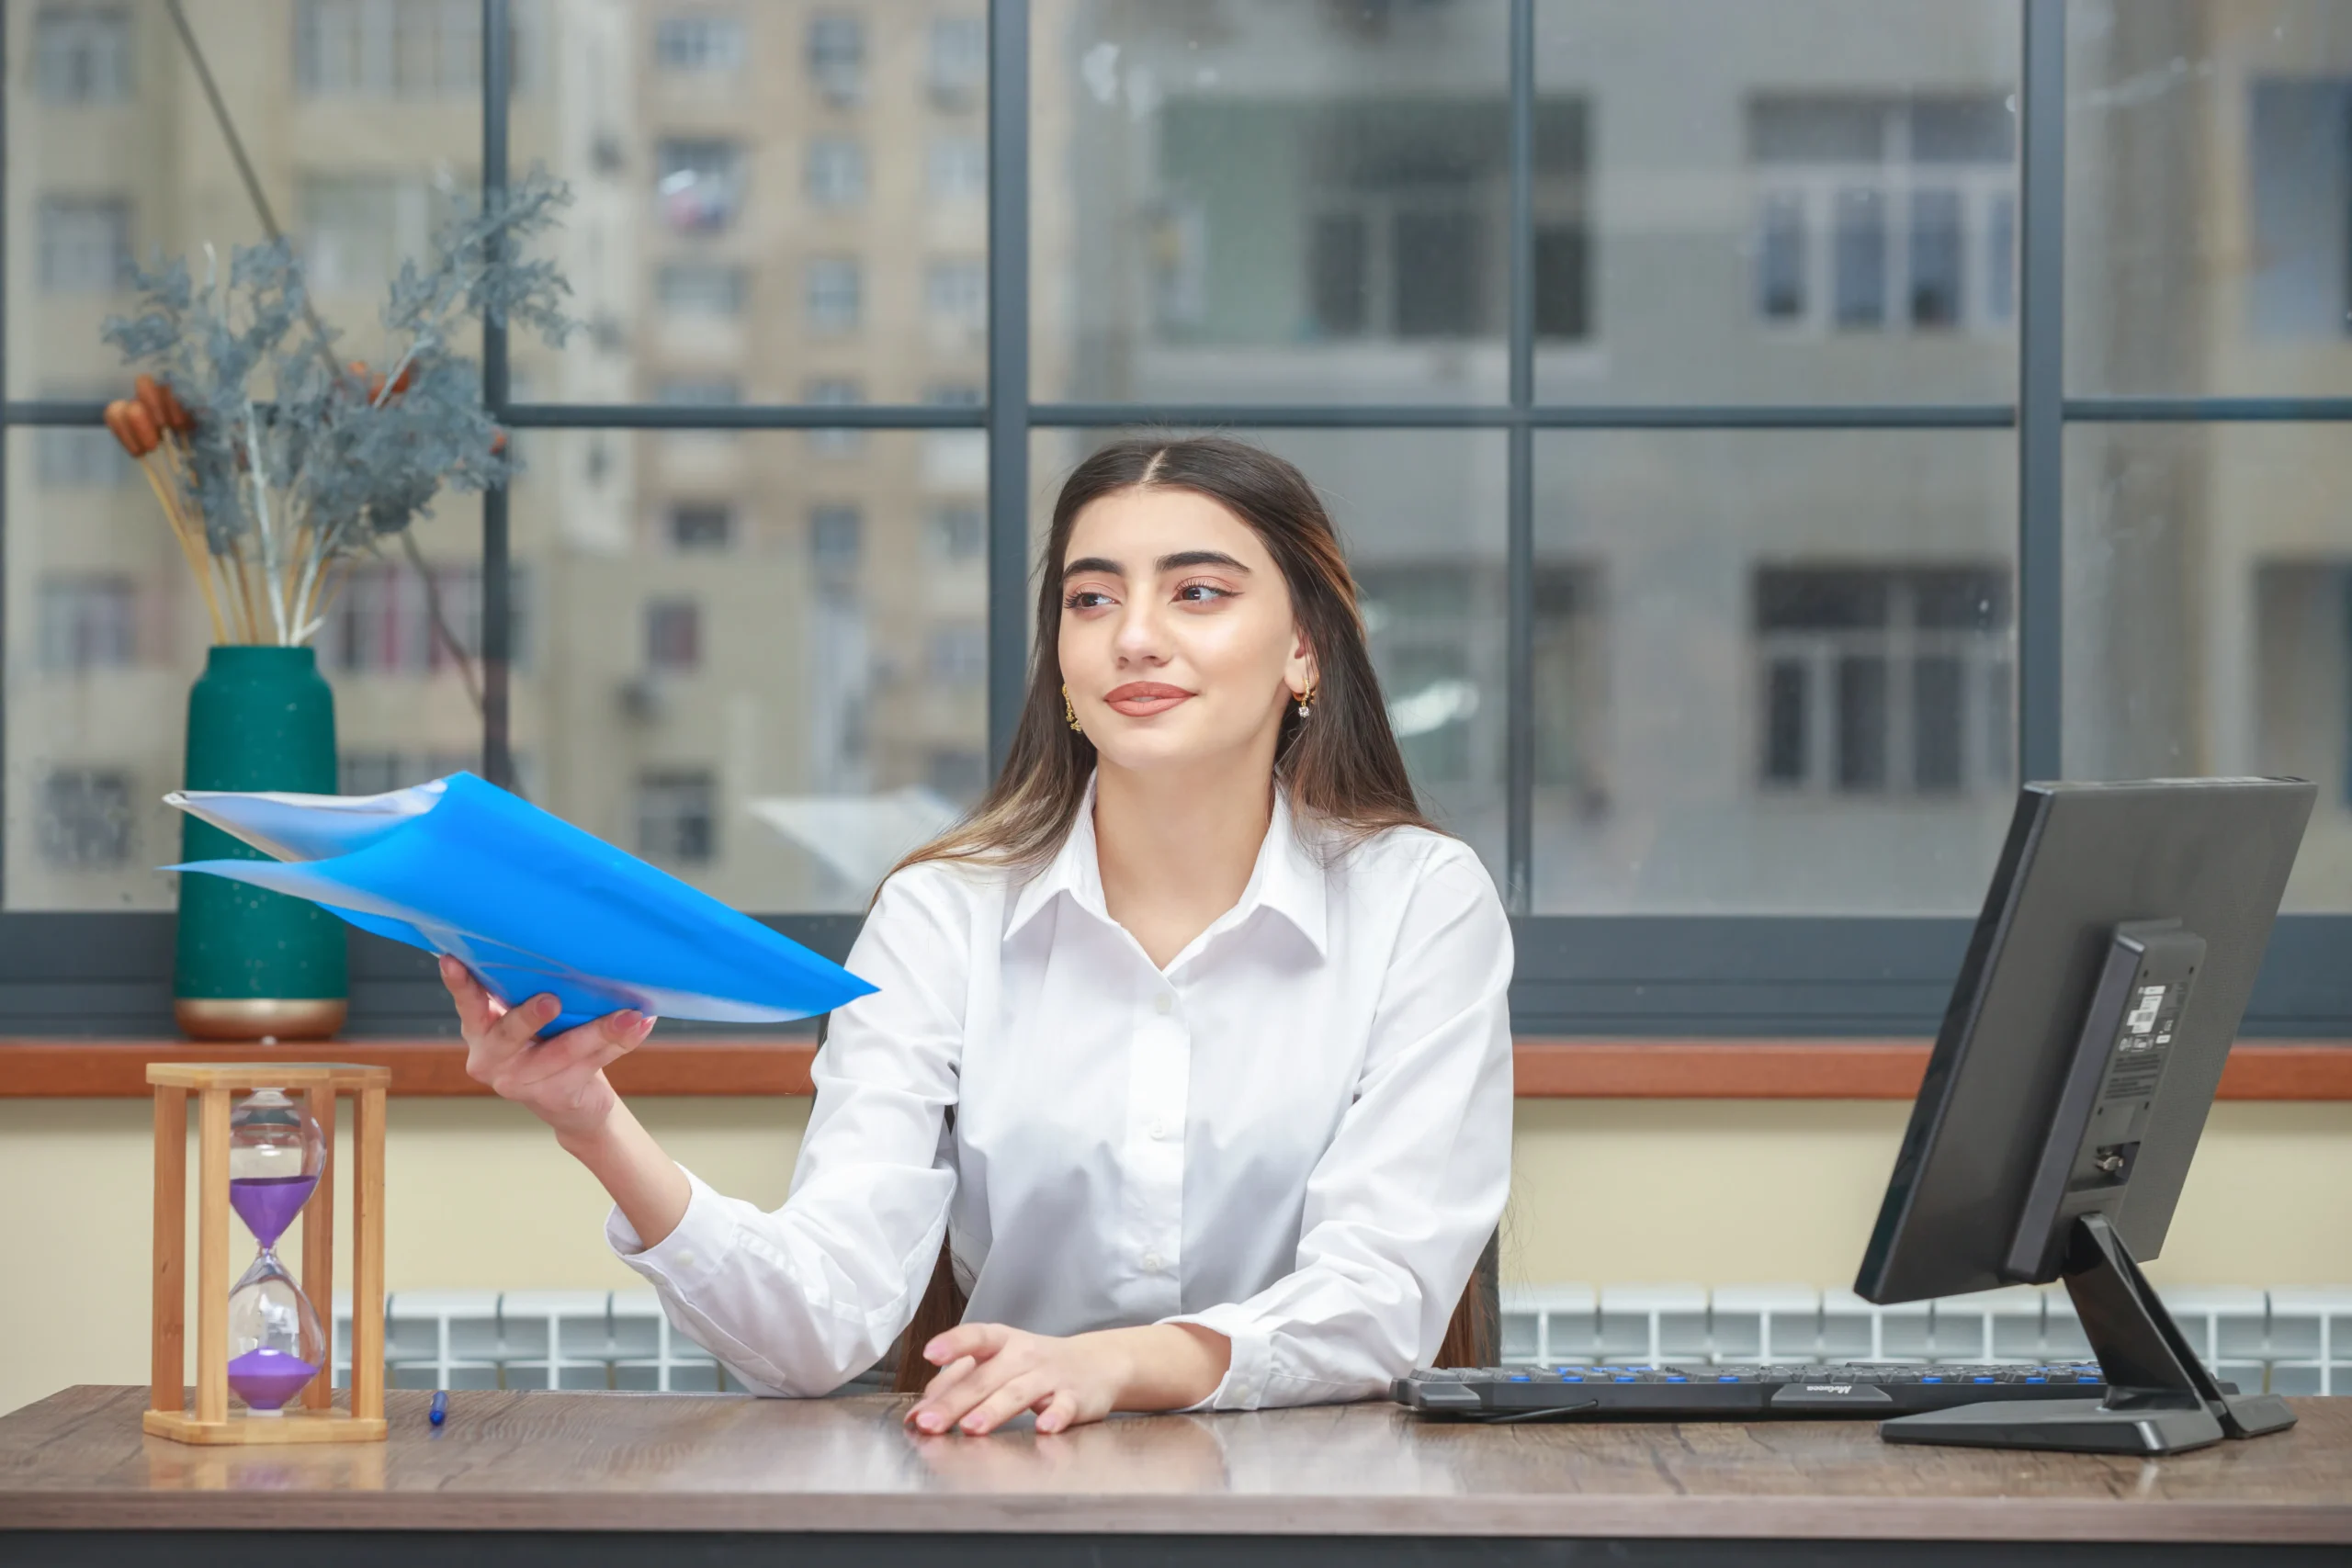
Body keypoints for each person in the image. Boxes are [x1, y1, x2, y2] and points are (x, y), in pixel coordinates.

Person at [445, 435, 1514, 1435]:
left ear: (1304, 653)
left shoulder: (1420, 900)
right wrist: (589, 1120)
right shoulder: (941, 913)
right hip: (1014, 1492)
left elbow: (1382, 1292)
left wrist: (1128, 1363)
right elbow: (820, 1327)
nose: (1134, 635)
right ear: (1062, 663)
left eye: (1196, 592)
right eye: (1091, 598)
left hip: (1333, 1503)